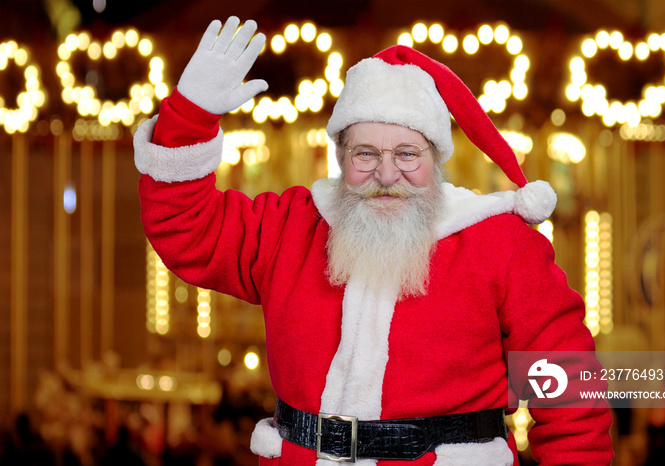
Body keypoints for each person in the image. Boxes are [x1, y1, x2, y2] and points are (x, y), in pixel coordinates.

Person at [134, 16, 614, 466]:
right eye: (366, 153)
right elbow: (187, 229)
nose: (387, 174)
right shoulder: (291, 227)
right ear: (340, 155)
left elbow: (571, 394)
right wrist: (188, 118)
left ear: (437, 155)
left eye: (407, 153)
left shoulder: (499, 243)